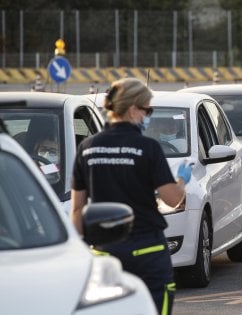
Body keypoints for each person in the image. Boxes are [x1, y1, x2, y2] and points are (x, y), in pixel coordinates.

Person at [70, 77, 192, 315]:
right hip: (147, 251)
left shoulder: (87, 147)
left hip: (105, 254)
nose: (149, 116)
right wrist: (182, 181)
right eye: (148, 110)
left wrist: (78, 253)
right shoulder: (148, 148)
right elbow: (172, 199)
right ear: (134, 109)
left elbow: (77, 210)